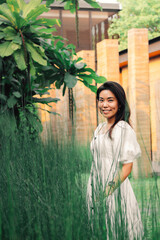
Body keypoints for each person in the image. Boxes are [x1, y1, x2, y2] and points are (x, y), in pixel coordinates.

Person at [87, 81, 144, 239]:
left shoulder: (122, 129)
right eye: (101, 100)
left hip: (115, 191)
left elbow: (127, 167)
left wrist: (106, 192)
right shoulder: (99, 128)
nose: (104, 104)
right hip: (95, 187)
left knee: (116, 230)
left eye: (110, 100)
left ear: (119, 103)